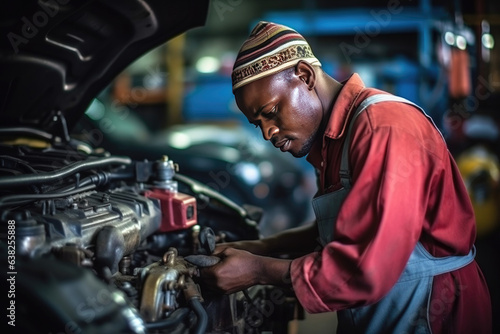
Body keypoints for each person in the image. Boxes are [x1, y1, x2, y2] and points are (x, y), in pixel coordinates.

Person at [200, 21, 492, 333]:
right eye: (258, 124)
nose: (268, 133)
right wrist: (261, 247)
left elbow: (367, 266)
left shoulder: (382, 129)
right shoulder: (334, 139)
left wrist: (258, 271)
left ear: (305, 76)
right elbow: (342, 230)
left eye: (271, 112)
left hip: (435, 313)